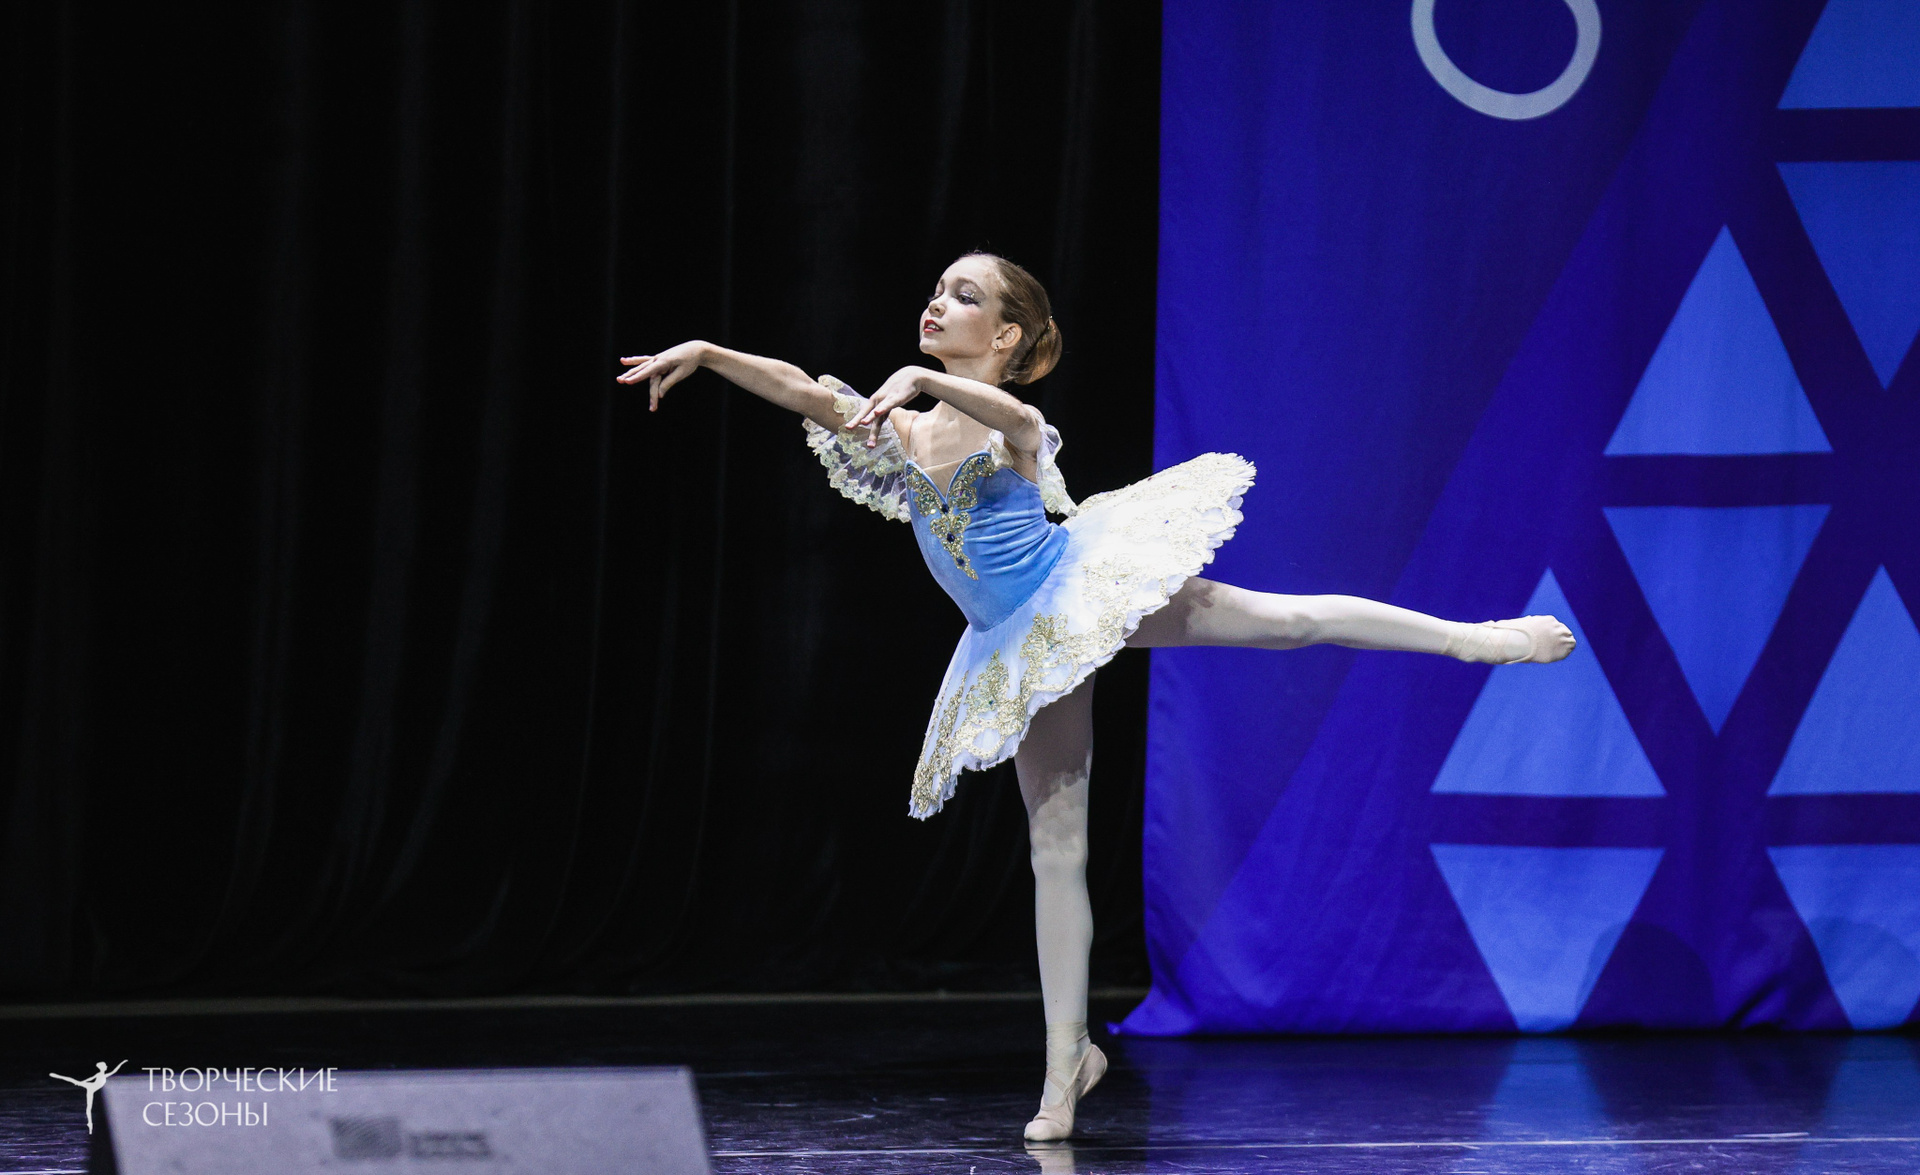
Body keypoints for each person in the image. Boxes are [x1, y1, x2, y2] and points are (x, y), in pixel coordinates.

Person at [618, 252, 1574, 1142]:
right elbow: (800, 387)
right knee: (1057, 850)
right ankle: (1065, 1063)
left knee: (1285, 621)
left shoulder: (1007, 421)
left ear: (1005, 337)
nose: (938, 302)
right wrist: (707, 351)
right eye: (938, 289)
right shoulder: (898, 427)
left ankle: (1478, 638)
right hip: (1014, 644)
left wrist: (920, 378)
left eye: (964, 295)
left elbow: (1020, 423)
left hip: (1076, 589)